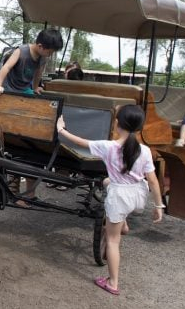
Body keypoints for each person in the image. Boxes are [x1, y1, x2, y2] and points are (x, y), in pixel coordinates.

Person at [56, 105, 164, 296]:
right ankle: (123, 224)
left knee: (113, 240)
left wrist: (61, 129)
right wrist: (158, 206)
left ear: (117, 123)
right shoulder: (145, 151)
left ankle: (113, 283)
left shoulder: (109, 147)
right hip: (138, 196)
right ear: (139, 127)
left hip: (120, 197)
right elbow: (153, 181)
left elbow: (81, 142)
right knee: (107, 182)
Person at [0, 29, 64, 96]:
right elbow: (7, 67)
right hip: (9, 87)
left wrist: (35, 87)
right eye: (49, 52)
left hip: (24, 89)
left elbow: (38, 74)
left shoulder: (43, 58)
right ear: (40, 46)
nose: (50, 55)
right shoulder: (21, 51)